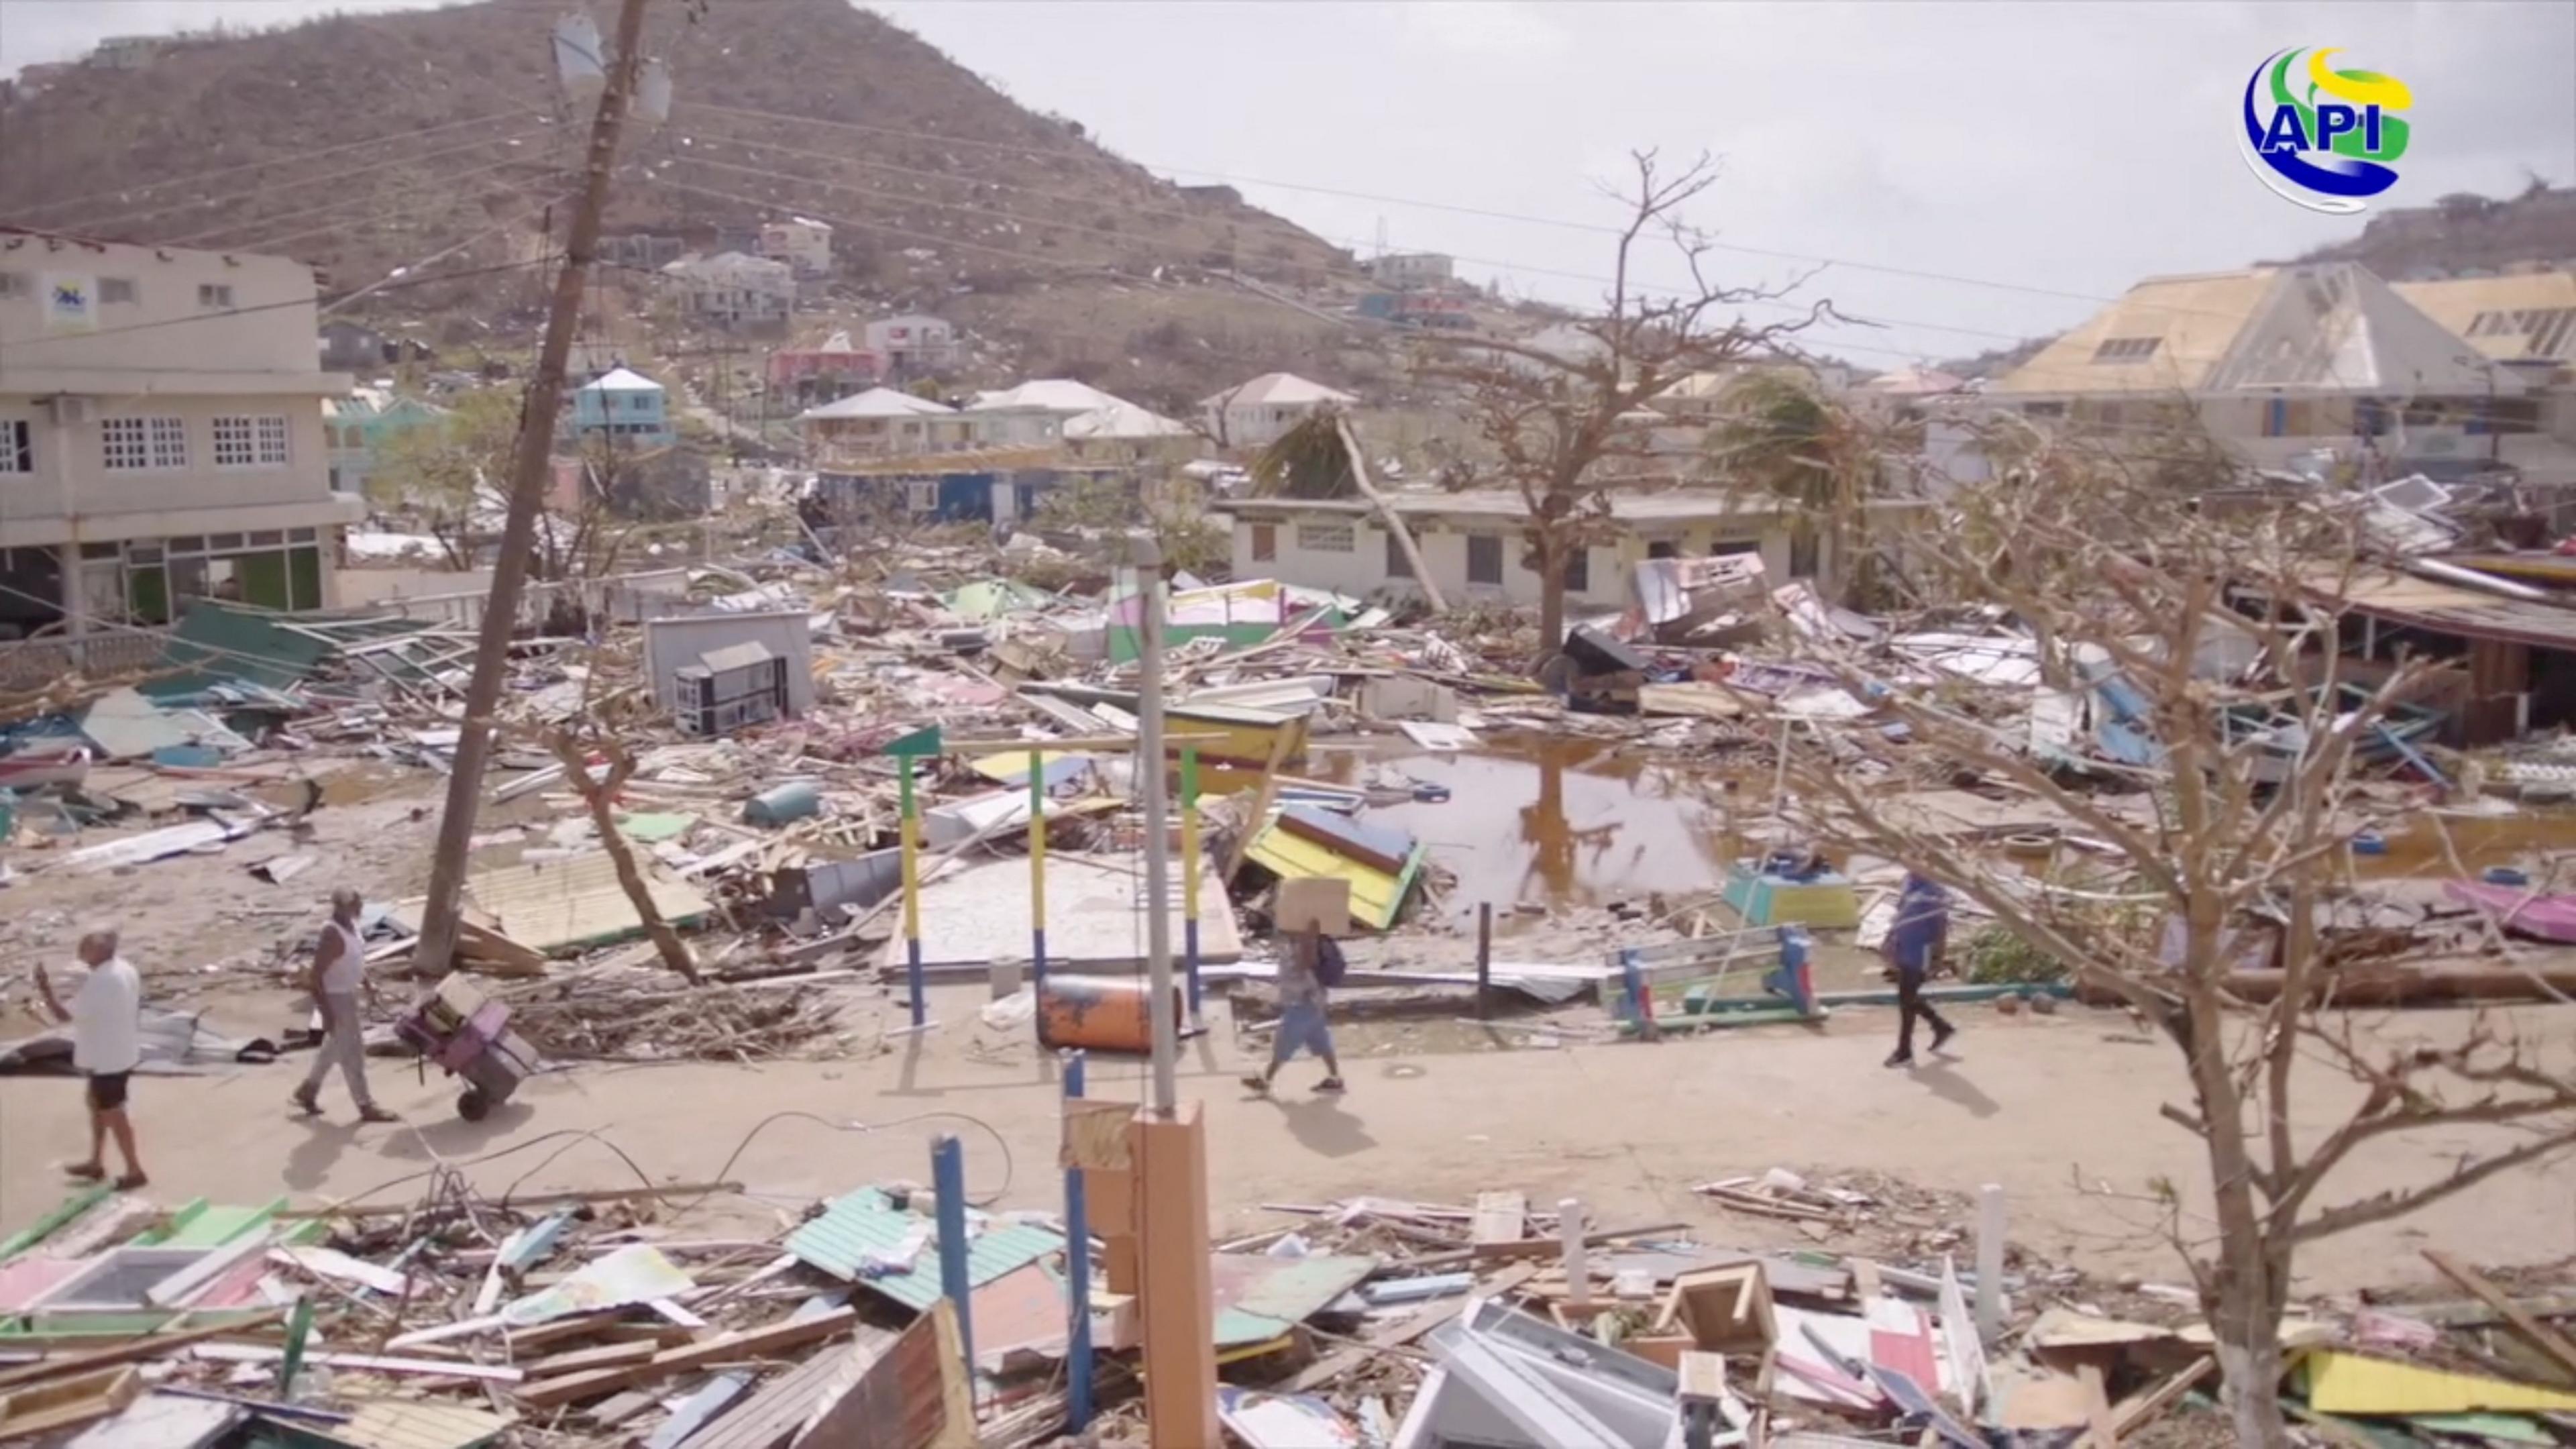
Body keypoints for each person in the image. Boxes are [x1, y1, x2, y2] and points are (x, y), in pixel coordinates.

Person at [36, 927, 147, 1189]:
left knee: (113, 1112)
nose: (80, 952)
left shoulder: (100, 983)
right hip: (120, 1050)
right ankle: (96, 1161)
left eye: (85, 947)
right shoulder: (124, 969)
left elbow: (65, 1015)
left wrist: (46, 991)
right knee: (96, 1104)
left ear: (98, 951)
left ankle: (134, 1170)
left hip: (107, 1057)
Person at [292, 888, 396, 1122]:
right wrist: (326, 1012)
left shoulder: (351, 926)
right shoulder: (332, 934)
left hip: (348, 994)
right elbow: (316, 977)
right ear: (342, 906)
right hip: (336, 998)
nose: (359, 908)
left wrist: (367, 983)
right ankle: (365, 1105)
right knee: (353, 1053)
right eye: (355, 905)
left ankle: (307, 1090)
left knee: (333, 1047)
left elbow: (356, 957)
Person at [1241, 925, 1346, 1096]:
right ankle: (1335, 1078)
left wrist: (1308, 937)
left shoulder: (1306, 943)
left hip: (1302, 1004)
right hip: (1312, 1003)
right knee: (1321, 1041)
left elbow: (1307, 963)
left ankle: (1266, 1082)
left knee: (1283, 1044)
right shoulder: (1298, 942)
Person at [1883, 871, 1958, 1069]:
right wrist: (1889, 942)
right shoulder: (1909, 881)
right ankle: (1940, 1027)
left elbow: (1941, 928)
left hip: (1920, 952)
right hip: (1903, 948)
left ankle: (1905, 1051)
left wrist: (1938, 959)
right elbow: (1900, 914)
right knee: (1907, 999)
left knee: (1906, 1000)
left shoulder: (1935, 893)